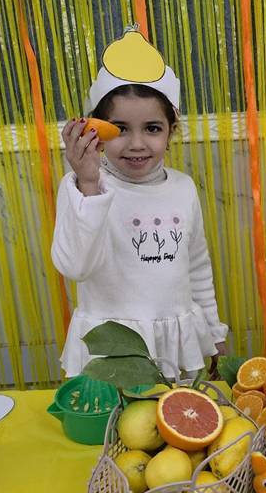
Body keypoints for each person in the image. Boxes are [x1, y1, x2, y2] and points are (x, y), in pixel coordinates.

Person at [51, 26, 228, 378]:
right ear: (95, 130)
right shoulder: (82, 188)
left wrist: (214, 332)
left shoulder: (183, 188)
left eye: (152, 128)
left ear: (171, 131)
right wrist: (88, 184)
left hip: (177, 346)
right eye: (120, 128)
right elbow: (75, 267)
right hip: (111, 351)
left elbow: (197, 265)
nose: (136, 144)